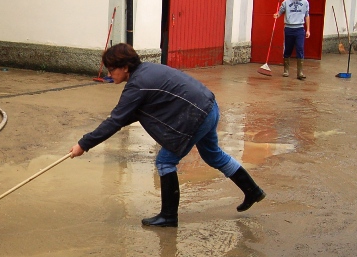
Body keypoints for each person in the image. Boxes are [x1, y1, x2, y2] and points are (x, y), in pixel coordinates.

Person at [69, 43, 265, 227]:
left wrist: (83, 144)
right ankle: (253, 191)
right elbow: (126, 115)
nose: (109, 74)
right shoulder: (147, 71)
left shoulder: (138, 85)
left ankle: (169, 216)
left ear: (126, 67)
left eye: (112, 69)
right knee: (213, 155)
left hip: (197, 116)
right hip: (209, 107)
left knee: (165, 161)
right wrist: (90, 140)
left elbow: (116, 120)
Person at [274, 0, 310, 80]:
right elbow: (280, 11)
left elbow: (307, 15)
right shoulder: (286, 2)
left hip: (299, 28)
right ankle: (286, 70)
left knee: (300, 48)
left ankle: (300, 72)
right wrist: (277, 15)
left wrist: (308, 30)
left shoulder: (305, 2)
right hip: (289, 28)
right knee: (288, 49)